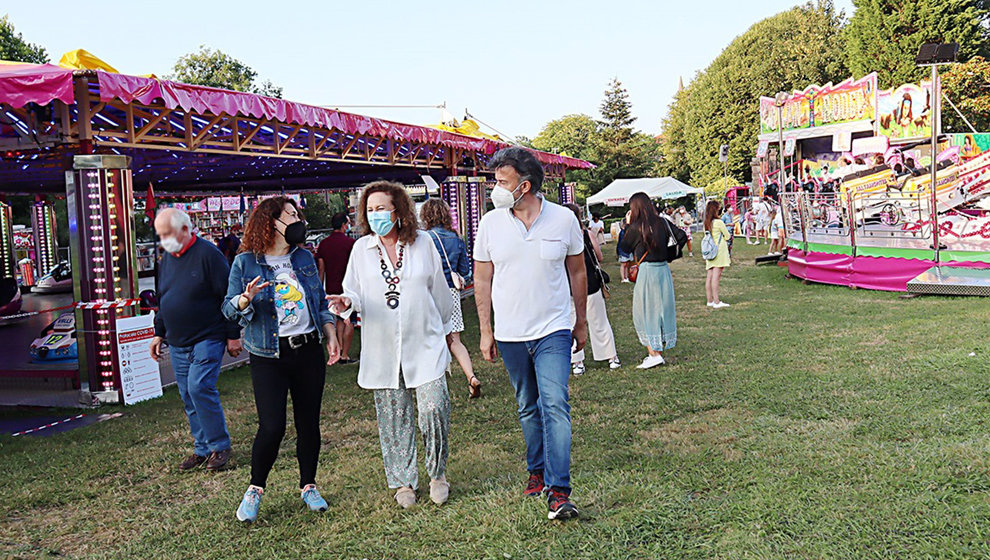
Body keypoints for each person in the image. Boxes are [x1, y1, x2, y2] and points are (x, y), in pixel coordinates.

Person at [473, 147, 587, 521]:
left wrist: (580, 320)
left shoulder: (562, 219)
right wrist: (486, 330)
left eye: (502, 182)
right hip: (509, 333)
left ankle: (559, 490)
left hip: (553, 328)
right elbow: (483, 279)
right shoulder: (491, 223)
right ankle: (536, 469)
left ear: (525, 185)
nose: (496, 188)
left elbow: (577, 273)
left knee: (554, 403)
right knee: (527, 404)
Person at [328, 181, 455, 509]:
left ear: (398, 211)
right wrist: (346, 303)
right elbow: (353, 291)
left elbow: (439, 290)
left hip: (425, 342)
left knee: (433, 408)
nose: (375, 216)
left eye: (381, 208)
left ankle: (437, 473)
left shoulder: (423, 243)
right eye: (370, 210)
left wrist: (444, 329)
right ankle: (403, 482)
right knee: (393, 416)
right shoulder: (361, 250)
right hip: (384, 347)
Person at [223, 196, 341, 523]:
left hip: (307, 351)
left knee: (308, 423)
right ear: (271, 222)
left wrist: (330, 333)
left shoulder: (303, 257)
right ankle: (255, 489)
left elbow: (318, 302)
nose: (296, 220)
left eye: (297, 214)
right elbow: (228, 310)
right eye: (290, 215)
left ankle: (309, 486)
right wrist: (245, 299)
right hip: (268, 356)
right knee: (272, 426)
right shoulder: (245, 262)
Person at [150, 208, 240, 473]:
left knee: (199, 386)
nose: (163, 238)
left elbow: (228, 297)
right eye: (161, 234)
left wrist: (232, 335)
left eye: (168, 233)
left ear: (186, 230)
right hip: (178, 340)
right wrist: (159, 331)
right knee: (188, 394)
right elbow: (163, 297)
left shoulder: (209, 255)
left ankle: (219, 445)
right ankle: (202, 448)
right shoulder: (166, 259)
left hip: (208, 335)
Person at [420, 198, 481, 399]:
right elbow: (466, 271)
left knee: (430, 339)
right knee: (455, 339)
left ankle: (435, 385)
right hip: (451, 293)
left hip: (428, 293)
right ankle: (471, 377)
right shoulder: (457, 239)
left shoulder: (424, 239)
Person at [619, 192, 677, 369]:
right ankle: (657, 349)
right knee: (663, 309)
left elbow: (624, 247)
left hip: (647, 271)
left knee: (645, 311)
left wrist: (628, 226)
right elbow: (680, 237)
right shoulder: (662, 222)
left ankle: (654, 353)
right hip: (663, 270)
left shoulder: (636, 227)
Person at [565, 203, 620, 375]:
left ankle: (577, 362)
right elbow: (600, 257)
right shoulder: (586, 234)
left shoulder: (559, 237)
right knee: (599, 321)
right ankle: (611, 357)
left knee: (571, 322)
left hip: (567, 286)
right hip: (590, 282)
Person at [316, 212, 357, 364]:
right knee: (349, 321)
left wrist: (320, 289)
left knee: (339, 320)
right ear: (343, 225)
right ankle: (345, 354)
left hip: (331, 287)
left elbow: (321, 268)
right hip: (348, 288)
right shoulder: (350, 243)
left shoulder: (324, 244)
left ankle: (338, 350)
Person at [703, 200, 731, 309]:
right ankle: (716, 301)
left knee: (709, 276)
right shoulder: (718, 222)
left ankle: (709, 300)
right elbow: (727, 235)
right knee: (716, 277)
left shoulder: (707, 223)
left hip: (710, 250)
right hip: (719, 251)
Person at [616, 218, 633, 283]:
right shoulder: (622, 232)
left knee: (627, 264)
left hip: (628, 250)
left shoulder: (627, 232)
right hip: (623, 251)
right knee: (623, 264)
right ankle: (623, 278)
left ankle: (626, 277)